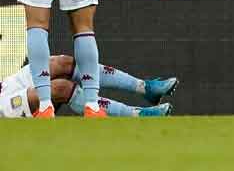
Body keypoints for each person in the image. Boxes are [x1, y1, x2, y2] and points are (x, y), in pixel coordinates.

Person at [0, 55, 177, 118]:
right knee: (59, 88)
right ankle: (137, 114)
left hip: (6, 84)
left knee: (62, 63)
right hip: (3, 105)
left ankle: (145, 88)